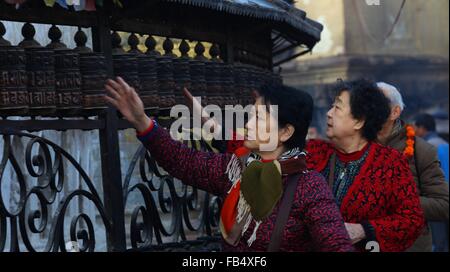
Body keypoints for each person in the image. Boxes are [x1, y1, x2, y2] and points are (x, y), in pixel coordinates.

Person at [104, 77, 354, 252]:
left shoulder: (309, 187)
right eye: (250, 115)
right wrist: (142, 121)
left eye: (258, 117)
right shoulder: (238, 168)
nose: (248, 123)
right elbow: (184, 162)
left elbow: (338, 246)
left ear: (286, 132)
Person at [305, 78, 425, 252]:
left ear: (359, 121)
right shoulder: (314, 152)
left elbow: (412, 220)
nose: (329, 113)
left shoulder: (390, 163)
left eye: (337, 107)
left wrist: (363, 230)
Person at [376, 83, 449, 252]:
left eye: (378, 102)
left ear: (395, 112)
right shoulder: (353, 146)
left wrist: (397, 200)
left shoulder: (422, 150)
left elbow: (443, 204)